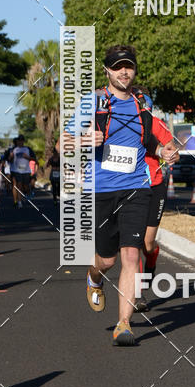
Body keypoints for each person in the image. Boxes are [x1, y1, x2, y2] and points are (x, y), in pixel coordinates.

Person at [63, 45, 175, 346]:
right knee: (108, 260)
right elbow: (62, 145)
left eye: (128, 66)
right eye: (117, 67)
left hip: (137, 187)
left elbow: (147, 139)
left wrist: (160, 150)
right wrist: (86, 138)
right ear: (107, 71)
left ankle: (123, 323)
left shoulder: (143, 101)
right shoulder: (93, 102)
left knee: (130, 254)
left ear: (135, 69)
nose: (123, 71)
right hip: (101, 190)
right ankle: (94, 276)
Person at [134, 113, 178, 312]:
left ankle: (152, 256)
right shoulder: (118, 119)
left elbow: (172, 149)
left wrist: (172, 155)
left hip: (155, 185)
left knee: (147, 243)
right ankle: (137, 295)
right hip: (130, 187)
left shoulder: (153, 122)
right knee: (132, 244)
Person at [8, 135, 37, 209]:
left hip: (26, 170)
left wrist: (28, 157)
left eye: (21, 140)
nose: (20, 142)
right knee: (19, 185)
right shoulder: (13, 149)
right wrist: (10, 157)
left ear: (23, 141)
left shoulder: (28, 149)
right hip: (16, 170)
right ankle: (19, 202)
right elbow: (9, 160)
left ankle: (27, 192)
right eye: (19, 141)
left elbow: (34, 159)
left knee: (25, 186)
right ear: (17, 141)